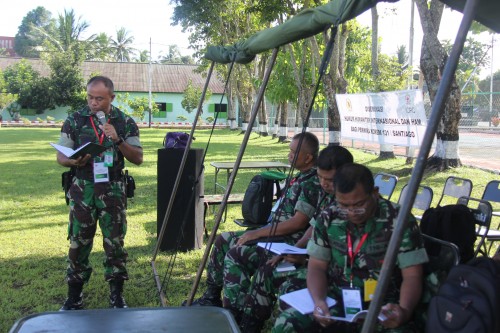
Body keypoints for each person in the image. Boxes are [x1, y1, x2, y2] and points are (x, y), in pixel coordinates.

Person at [273, 163, 428, 332]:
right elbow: (316, 267)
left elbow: (412, 275)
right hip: (337, 297)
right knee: (288, 323)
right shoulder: (329, 217)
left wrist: (404, 311)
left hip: (383, 305)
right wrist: (319, 301)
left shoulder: (399, 219)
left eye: (359, 204)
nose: (352, 212)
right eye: (344, 205)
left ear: (375, 193)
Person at [225, 146, 354, 332]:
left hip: (341, 277)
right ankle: (249, 324)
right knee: (266, 270)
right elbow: (313, 229)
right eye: (321, 178)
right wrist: (294, 250)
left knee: (282, 282)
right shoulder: (330, 200)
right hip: (314, 262)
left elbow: (301, 225)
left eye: (330, 180)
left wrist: (304, 256)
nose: (324, 184)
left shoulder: (372, 212)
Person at [185, 132, 320, 307]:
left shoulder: (312, 182)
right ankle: (212, 297)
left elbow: (298, 222)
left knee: (236, 254)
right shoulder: (300, 176)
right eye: (290, 151)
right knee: (222, 240)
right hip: (274, 231)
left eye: (294, 152)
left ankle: (237, 310)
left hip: (289, 239)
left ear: (308, 157)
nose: (289, 155)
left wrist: (256, 233)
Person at [56, 76, 143, 310]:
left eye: (99, 98)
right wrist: (73, 161)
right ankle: (74, 295)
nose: (93, 102)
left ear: (111, 98)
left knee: (114, 241)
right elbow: (61, 156)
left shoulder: (125, 121)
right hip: (83, 187)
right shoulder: (75, 120)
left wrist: (119, 140)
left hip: (113, 188)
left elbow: (137, 158)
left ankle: (116, 295)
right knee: (78, 240)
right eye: (90, 97)